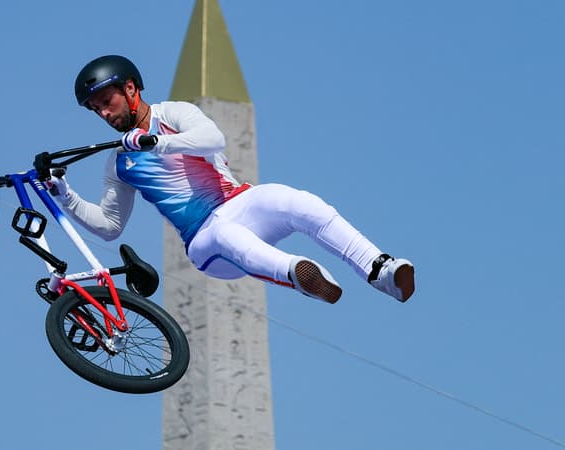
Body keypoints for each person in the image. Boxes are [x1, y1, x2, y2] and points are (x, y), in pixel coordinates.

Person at [47, 54, 415, 303]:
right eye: (95, 109)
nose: (104, 113)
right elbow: (110, 226)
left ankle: (379, 269)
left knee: (294, 200)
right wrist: (65, 195)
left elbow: (213, 140)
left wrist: (155, 142)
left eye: (105, 100)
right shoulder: (118, 164)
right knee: (226, 234)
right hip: (205, 243)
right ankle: (299, 273)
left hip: (240, 202)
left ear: (130, 89)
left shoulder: (172, 114)